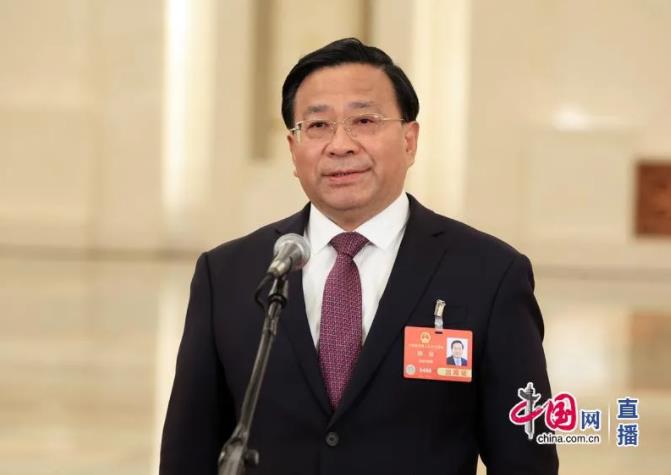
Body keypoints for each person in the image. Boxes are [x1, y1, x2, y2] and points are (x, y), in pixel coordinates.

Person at [160, 38, 558, 474]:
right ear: (293, 149)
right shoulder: (227, 275)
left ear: (409, 140)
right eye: (317, 126)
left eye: (365, 121)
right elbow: (187, 455)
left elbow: (525, 461)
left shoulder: (489, 274)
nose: (340, 145)